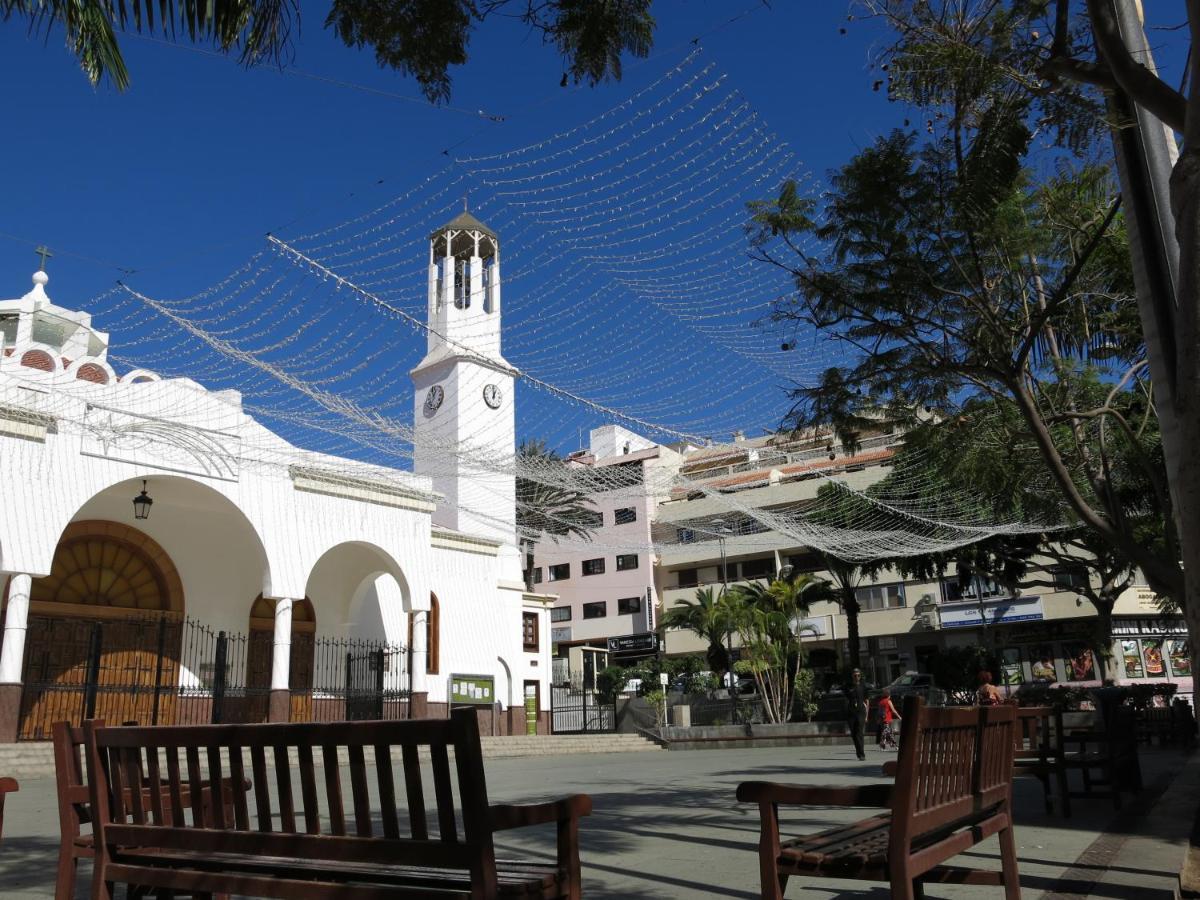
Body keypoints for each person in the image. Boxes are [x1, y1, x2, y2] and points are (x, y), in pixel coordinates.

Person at [846, 668, 869, 761]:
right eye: (855, 675)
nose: (857, 677)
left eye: (858, 675)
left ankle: (862, 754)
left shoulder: (863, 686)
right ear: (852, 676)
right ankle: (858, 752)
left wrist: (867, 714)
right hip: (851, 712)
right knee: (854, 734)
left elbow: (867, 701)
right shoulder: (848, 686)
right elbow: (845, 699)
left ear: (860, 676)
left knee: (859, 733)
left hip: (861, 712)